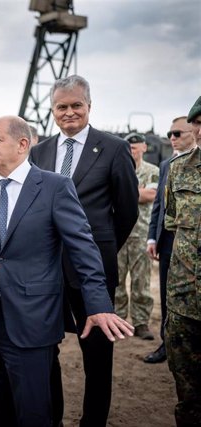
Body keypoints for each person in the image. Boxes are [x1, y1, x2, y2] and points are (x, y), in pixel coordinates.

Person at [0, 115, 133, 427]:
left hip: (34, 319)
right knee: (1, 409)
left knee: (36, 412)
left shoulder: (54, 187)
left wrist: (98, 304)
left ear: (22, 144)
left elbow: (84, 249)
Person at [29, 75, 139, 427]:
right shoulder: (39, 151)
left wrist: (98, 251)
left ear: (89, 106)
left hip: (93, 272)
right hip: (47, 271)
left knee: (97, 356)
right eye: (62, 106)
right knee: (46, 351)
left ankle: (93, 422)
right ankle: (53, 419)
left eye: (77, 105)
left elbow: (127, 210)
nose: (70, 112)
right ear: (52, 110)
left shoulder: (114, 148)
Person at [144, 116, 198, 363]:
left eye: (178, 133)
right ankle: (167, 344)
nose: (172, 138)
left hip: (192, 244)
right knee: (169, 297)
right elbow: (160, 206)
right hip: (169, 243)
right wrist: (151, 239)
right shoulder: (169, 165)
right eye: (170, 134)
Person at [163, 96, 201, 427]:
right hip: (185, 299)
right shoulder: (179, 169)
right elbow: (172, 223)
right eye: (198, 123)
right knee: (188, 391)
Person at [115, 133, 159, 339]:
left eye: (135, 146)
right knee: (116, 282)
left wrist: (123, 191)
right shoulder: (115, 168)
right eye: (129, 146)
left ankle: (141, 323)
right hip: (119, 234)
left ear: (143, 147)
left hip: (141, 234)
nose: (132, 150)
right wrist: (137, 191)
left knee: (141, 282)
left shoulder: (152, 171)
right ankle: (119, 321)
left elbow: (151, 195)